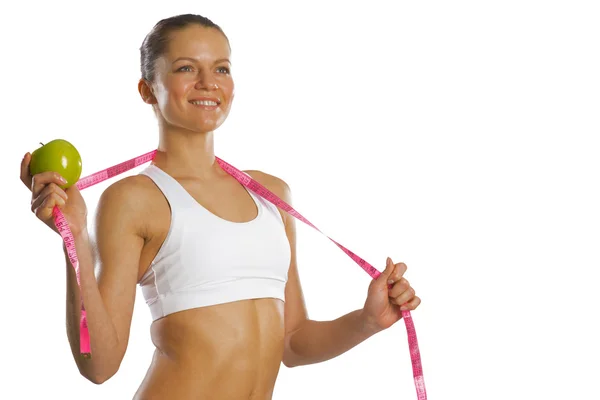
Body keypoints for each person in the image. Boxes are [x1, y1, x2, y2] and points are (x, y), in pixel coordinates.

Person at [19, 13, 421, 400]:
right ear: (147, 89)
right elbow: (100, 365)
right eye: (186, 69)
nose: (208, 83)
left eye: (222, 69)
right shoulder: (133, 199)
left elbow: (293, 344)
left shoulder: (271, 194)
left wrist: (366, 322)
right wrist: (73, 243)